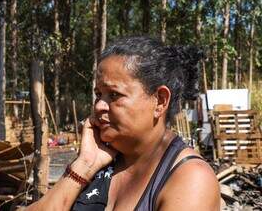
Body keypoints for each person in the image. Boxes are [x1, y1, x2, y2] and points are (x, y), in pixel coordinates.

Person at [25, 37, 220, 211]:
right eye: (98, 95)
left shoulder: (190, 178)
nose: (99, 105)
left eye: (114, 95)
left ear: (160, 101)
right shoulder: (99, 163)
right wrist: (83, 165)